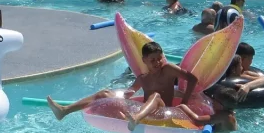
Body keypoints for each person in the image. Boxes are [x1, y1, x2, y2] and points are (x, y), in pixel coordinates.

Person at [47, 41, 198, 123]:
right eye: (153, 60)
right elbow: (129, 93)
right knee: (104, 93)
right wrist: (114, 96)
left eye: (159, 58)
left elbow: (192, 79)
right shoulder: (142, 78)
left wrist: (184, 101)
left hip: (164, 112)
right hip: (144, 113)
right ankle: (64, 110)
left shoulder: (168, 69)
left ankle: (136, 119)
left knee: (155, 96)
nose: (157, 63)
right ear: (144, 60)